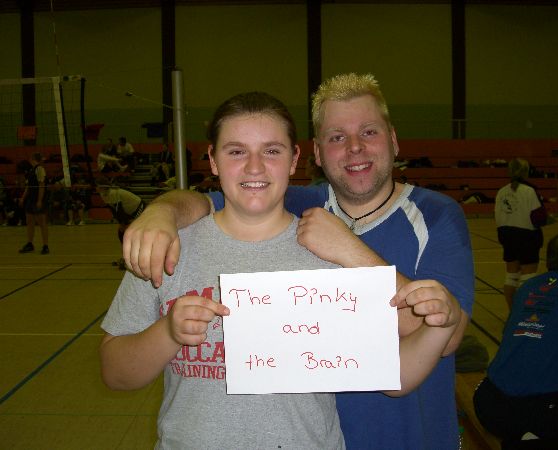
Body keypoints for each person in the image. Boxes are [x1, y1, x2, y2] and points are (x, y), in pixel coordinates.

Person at [121, 73, 474, 450]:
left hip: (408, 437)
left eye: (369, 132)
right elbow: (209, 202)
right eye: (336, 137)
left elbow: (447, 335)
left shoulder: (437, 215)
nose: (354, 147)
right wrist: (160, 212)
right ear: (316, 154)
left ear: (393, 139)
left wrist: (350, 250)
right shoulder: (291, 202)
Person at [473, 232, 558, 449]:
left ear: (548, 260)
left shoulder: (527, 288)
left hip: (487, 403)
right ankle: (534, 437)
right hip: (540, 415)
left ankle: (527, 437)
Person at [495, 158, 546, 308]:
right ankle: (524, 313)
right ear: (526, 172)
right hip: (527, 236)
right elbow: (539, 218)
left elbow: (498, 217)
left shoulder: (501, 191)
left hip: (507, 235)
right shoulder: (529, 191)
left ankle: (513, 311)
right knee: (528, 278)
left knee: (511, 276)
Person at [95, 177, 146, 269]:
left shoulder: (112, 193)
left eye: (97, 186)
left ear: (102, 186)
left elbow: (119, 210)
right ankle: (127, 257)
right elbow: (113, 210)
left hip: (139, 208)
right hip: (129, 212)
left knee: (129, 234)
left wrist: (123, 223)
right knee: (122, 234)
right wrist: (122, 223)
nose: (95, 188)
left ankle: (136, 258)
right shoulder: (104, 194)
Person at [18, 152, 49, 254]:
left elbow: (41, 185)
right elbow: (28, 187)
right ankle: (30, 244)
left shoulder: (40, 169)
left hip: (37, 199)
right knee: (29, 222)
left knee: (42, 223)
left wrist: (39, 200)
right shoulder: (31, 170)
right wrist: (23, 198)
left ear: (33, 158)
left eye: (30, 158)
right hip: (30, 200)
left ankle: (45, 246)